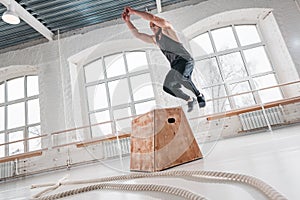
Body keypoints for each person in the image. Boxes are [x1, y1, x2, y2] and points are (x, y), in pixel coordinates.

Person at [122, 7, 205, 112]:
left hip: (185, 60)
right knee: (167, 87)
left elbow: (152, 17)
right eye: (150, 26)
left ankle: (199, 95)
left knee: (181, 77)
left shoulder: (167, 29)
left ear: (159, 24)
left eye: (154, 24)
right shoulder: (155, 39)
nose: (152, 27)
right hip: (175, 66)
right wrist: (128, 22)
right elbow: (138, 35)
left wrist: (134, 12)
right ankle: (189, 99)